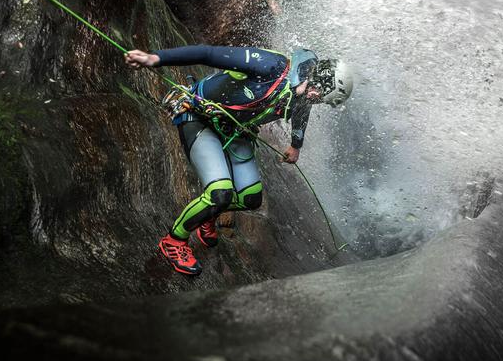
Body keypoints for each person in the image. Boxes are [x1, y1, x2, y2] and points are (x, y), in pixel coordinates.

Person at [124, 45, 353, 275]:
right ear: (320, 81)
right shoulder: (270, 65)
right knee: (219, 194)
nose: (318, 100)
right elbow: (208, 54)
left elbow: (301, 112)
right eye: (322, 95)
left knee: (250, 198)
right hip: (198, 116)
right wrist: (156, 57)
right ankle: (174, 241)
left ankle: (207, 217)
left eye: (322, 99)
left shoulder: (302, 91)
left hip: (235, 129)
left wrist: (296, 145)